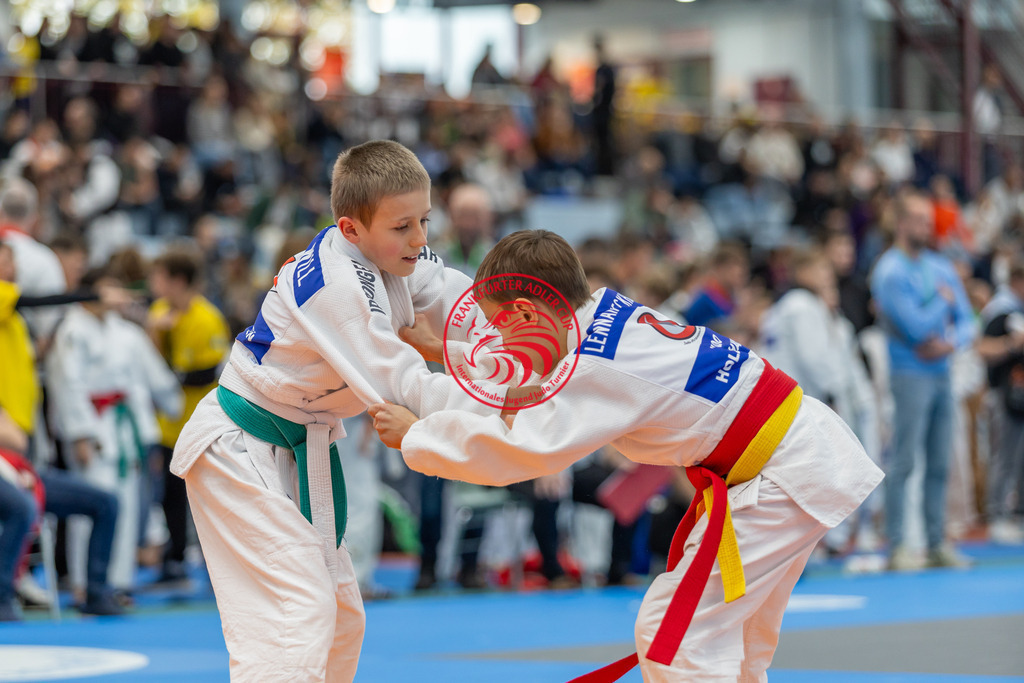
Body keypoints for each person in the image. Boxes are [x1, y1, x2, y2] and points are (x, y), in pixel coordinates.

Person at [369, 229, 883, 683]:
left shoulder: (594, 367)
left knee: (676, 635)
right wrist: (448, 353)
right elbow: (541, 377)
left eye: (501, 327)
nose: (501, 339)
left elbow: (523, 450)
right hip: (794, 456)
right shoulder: (606, 315)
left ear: (528, 313)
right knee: (735, 639)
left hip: (781, 473)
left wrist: (419, 435)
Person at [170, 140, 503, 682]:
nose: (419, 239)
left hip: (295, 446)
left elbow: (460, 302)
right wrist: (506, 398)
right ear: (351, 229)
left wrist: (521, 353)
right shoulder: (337, 286)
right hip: (238, 450)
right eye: (403, 227)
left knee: (342, 617)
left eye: (424, 220)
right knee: (296, 613)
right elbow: (400, 379)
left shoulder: (394, 254)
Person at [870, 189, 977, 570]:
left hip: (941, 372)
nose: (927, 227)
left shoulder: (940, 267)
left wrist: (949, 344)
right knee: (904, 460)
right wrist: (943, 303)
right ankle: (898, 545)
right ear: (900, 224)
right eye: (918, 220)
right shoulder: (889, 271)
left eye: (929, 221)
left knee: (939, 462)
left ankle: (936, 543)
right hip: (909, 373)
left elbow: (969, 323)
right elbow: (915, 327)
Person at [147, 248, 230, 583]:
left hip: (200, 421)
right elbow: (150, 363)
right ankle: (176, 558)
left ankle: (220, 564)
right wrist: (154, 333)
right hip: (168, 424)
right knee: (169, 494)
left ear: (177, 280)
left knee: (209, 495)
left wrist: (172, 375)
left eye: (160, 276)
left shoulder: (206, 318)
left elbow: (207, 371)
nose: (154, 284)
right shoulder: (158, 313)